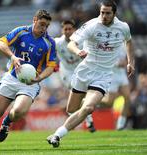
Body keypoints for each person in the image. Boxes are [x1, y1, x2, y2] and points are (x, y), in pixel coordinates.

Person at [47, 0, 135, 148]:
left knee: (88, 108)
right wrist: (78, 51)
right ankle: (84, 104)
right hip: (85, 71)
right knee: (72, 109)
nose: (104, 16)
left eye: (108, 13)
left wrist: (130, 62)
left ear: (114, 14)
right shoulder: (92, 25)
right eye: (102, 12)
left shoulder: (123, 27)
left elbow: (129, 42)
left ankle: (57, 135)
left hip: (103, 75)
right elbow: (71, 43)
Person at [0, 9, 57, 151]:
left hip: (30, 83)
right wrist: (12, 57)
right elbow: (1, 43)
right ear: (35, 20)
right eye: (41, 24)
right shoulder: (21, 32)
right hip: (12, 78)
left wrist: (40, 77)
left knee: (19, 111)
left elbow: (51, 66)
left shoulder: (49, 43)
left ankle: (7, 122)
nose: (43, 28)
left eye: (46, 26)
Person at [55, 19, 96, 132]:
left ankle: (84, 118)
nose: (68, 31)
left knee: (81, 97)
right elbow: (47, 52)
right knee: (77, 92)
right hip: (66, 73)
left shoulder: (82, 42)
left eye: (70, 29)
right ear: (62, 30)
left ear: (74, 30)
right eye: (65, 29)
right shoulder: (57, 43)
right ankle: (86, 119)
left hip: (80, 71)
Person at [101, 45, 131, 130]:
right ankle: (91, 100)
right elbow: (104, 59)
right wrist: (117, 64)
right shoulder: (109, 43)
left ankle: (121, 124)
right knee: (109, 102)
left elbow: (127, 57)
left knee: (128, 97)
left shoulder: (124, 45)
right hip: (112, 75)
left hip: (121, 75)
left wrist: (128, 62)